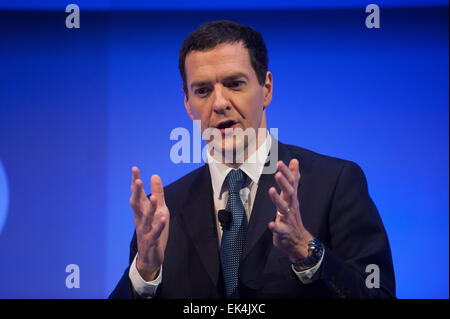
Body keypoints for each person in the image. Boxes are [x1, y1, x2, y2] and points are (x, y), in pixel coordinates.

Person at [109, 20, 395, 299]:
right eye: (203, 90)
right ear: (188, 104)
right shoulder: (161, 212)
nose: (219, 103)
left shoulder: (335, 184)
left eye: (234, 84)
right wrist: (144, 270)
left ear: (266, 88)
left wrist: (307, 250)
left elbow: (377, 293)